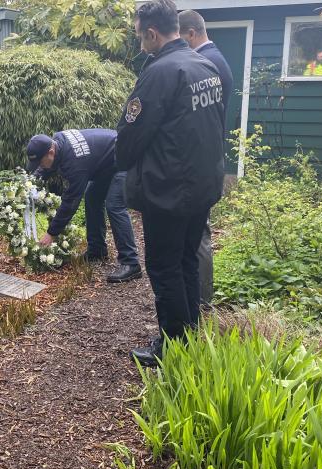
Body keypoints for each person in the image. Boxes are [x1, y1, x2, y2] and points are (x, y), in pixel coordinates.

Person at [117, 0, 225, 367]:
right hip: (202, 184)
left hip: (169, 189)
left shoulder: (161, 71)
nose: (140, 44)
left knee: (164, 267)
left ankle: (172, 345)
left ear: (152, 33)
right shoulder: (205, 65)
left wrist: (125, 162)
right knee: (187, 262)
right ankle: (190, 331)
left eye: (139, 37)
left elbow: (131, 134)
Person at [26, 129, 142, 283]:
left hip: (127, 159)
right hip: (107, 164)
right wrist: (32, 182)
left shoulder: (75, 164)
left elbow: (71, 202)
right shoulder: (57, 141)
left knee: (114, 205)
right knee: (92, 197)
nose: (40, 165)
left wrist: (51, 233)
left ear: (51, 152)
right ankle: (97, 250)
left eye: (40, 162)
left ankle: (131, 263)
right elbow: (48, 166)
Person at [178, 9, 235, 304]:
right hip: (209, 160)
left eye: (179, 38)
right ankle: (200, 297)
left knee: (198, 236)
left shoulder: (205, 63)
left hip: (199, 163)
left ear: (190, 34)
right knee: (199, 234)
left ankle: (201, 299)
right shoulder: (218, 59)